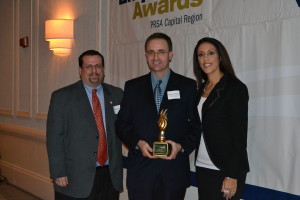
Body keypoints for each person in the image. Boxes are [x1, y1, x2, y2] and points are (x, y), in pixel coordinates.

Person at [116, 32, 201, 200]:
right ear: (146, 55)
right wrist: (137, 143)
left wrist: (180, 147)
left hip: (173, 172)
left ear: (170, 55)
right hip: (140, 173)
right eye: (151, 52)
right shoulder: (132, 87)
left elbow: (196, 126)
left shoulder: (188, 86)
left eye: (161, 52)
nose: (156, 57)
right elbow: (122, 124)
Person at [46, 50, 123, 200]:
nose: (94, 71)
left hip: (109, 176)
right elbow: (54, 137)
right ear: (80, 70)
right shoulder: (62, 97)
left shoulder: (117, 94)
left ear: (103, 69)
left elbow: (125, 128)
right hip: (75, 177)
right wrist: (58, 172)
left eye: (98, 66)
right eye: (89, 67)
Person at [193, 37, 250, 200]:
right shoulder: (201, 89)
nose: (205, 59)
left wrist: (232, 175)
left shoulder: (234, 88)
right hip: (202, 166)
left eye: (211, 53)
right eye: (200, 55)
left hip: (226, 169)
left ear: (220, 56)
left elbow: (239, 135)